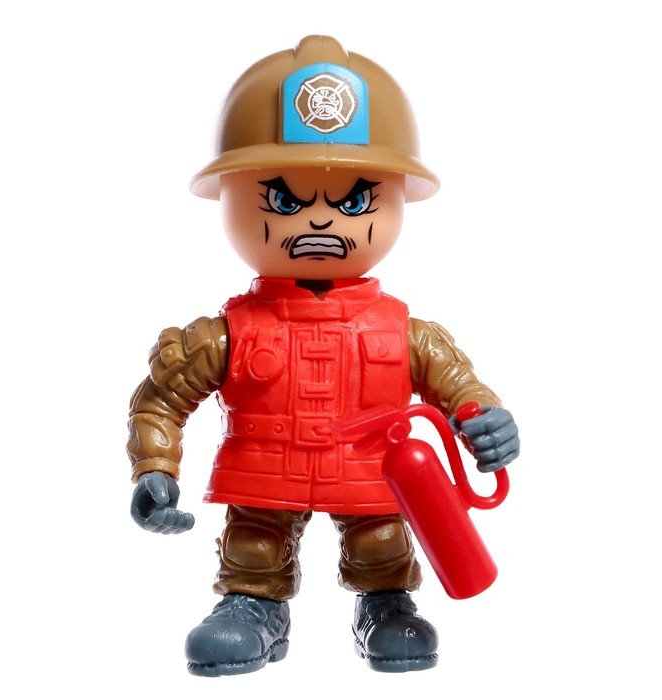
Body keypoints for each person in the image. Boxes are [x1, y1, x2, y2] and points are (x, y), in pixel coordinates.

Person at [127, 35, 520, 677]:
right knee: (254, 544)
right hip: (264, 475)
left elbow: (461, 390)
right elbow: (162, 399)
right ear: (229, 199)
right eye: (283, 200)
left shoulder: (409, 333)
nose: (319, 222)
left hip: (372, 479)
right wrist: (154, 468)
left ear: (397, 200)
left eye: (354, 201)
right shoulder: (225, 333)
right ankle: (254, 605)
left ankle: (385, 604)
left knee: (382, 542)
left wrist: (486, 424)